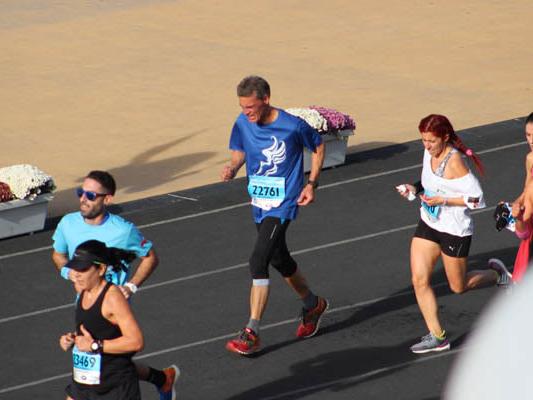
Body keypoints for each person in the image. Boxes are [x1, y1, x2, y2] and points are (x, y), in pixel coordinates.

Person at [221, 75, 329, 356]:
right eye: (243, 107)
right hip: (259, 202)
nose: (247, 112)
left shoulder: (292, 126)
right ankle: (312, 304)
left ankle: (251, 331)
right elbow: (239, 149)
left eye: (251, 107)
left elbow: (318, 146)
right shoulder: (243, 122)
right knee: (279, 259)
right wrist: (233, 167)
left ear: (266, 99)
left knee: (258, 260)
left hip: (283, 203)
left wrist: (311, 183)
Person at [52, 170, 178, 399]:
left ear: (107, 199)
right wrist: (68, 272)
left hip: (111, 306)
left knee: (108, 360)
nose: (83, 199)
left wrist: (131, 287)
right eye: (81, 192)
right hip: (83, 301)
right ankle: (162, 379)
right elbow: (58, 254)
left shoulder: (123, 230)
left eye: (91, 195)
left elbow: (150, 257)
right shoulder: (68, 224)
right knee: (107, 361)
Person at [396, 114, 511, 354]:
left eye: (431, 141)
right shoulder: (428, 153)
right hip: (429, 222)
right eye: (423, 140)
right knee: (419, 280)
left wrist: (444, 199)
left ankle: (497, 274)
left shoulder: (455, 162)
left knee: (458, 286)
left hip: (454, 231)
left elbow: (478, 200)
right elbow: (428, 181)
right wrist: (414, 188)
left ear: (445, 137)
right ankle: (438, 336)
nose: (427, 146)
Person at [59, 240, 144, 400]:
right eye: (75, 267)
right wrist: (73, 339)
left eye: (83, 269)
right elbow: (96, 328)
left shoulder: (112, 298)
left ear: (101, 269)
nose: (76, 274)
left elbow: (136, 342)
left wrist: (93, 345)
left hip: (113, 388)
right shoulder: (82, 289)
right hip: (83, 383)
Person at [492, 112, 533, 283]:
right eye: (528, 135)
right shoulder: (531, 159)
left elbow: (523, 232)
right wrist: (514, 205)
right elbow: (526, 190)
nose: (531, 140)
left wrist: (516, 217)